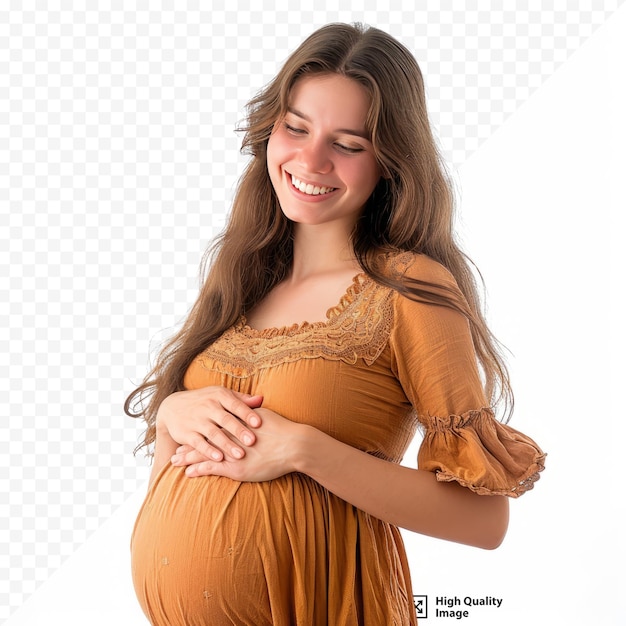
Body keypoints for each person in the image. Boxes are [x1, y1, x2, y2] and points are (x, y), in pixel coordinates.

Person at [126, 22, 546, 625]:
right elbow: (182, 473)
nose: (310, 159)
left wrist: (303, 449)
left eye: (347, 143)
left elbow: (484, 521)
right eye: (295, 127)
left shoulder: (411, 289)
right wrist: (172, 416)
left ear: (390, 162)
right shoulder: (241, 278)